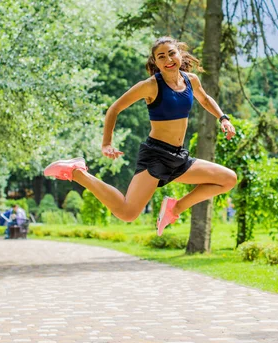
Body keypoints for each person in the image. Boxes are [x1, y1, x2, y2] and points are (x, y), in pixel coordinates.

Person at [44, 36, 237, 235]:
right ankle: (76, 172)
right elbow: (115, 108)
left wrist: (223, 118)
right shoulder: (151, 85)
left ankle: (175, 208)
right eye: (161, 56)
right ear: (155, 62)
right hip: (156, 156)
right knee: (128, 213)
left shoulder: (191, 80)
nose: (168, 59)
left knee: (228, 179)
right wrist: (107, 143)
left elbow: (204, 100)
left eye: (171, 53)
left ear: (179, 54)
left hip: (178, 156)